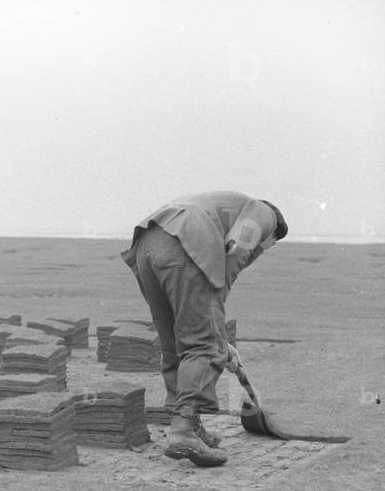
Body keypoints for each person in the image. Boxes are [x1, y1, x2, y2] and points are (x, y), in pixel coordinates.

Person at [121, 191, 287, 467]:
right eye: (270, 245)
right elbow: (236, 252)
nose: (266, 248)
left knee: (175, 343)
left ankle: (188, 422)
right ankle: (183, 430)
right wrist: (216, 333)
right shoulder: (264, 214)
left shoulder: (224, 205)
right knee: (204, 345)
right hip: (185, 242)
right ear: (274, 234)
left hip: (148, 244)